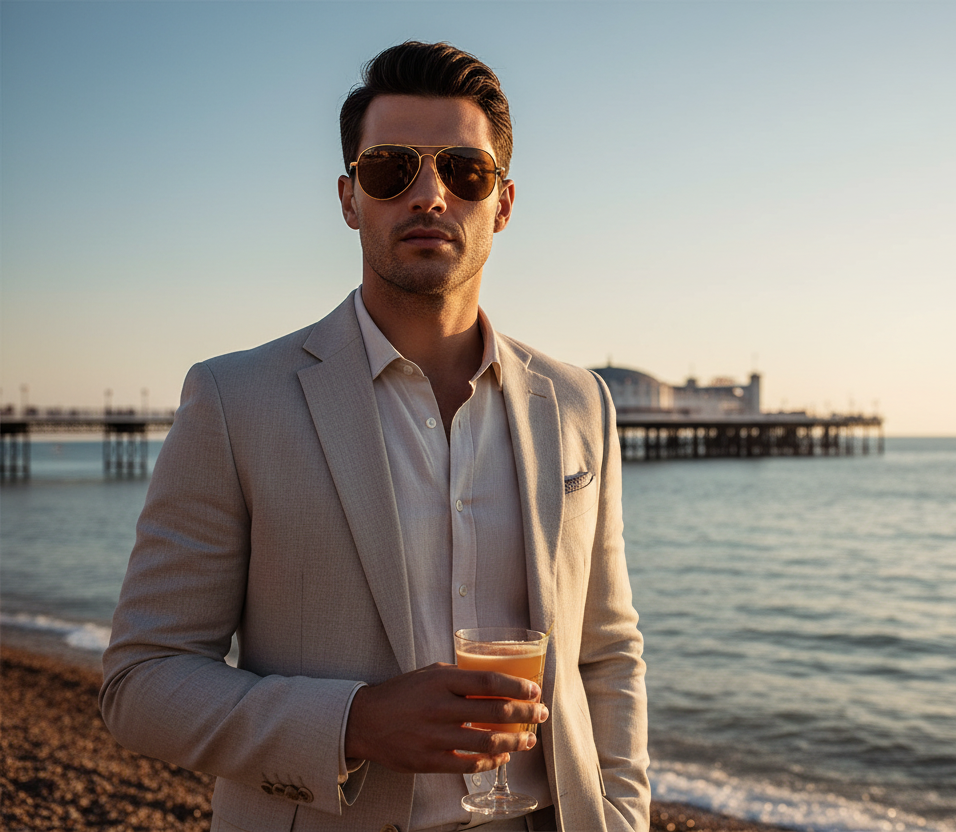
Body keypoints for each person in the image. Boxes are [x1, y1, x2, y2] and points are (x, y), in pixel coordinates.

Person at [100, 41, 649, 832]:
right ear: (350, 198)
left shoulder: (578, 402)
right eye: (392, 169)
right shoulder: (234, 399)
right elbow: (142, 681)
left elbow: (608, 653)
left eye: (464, 171)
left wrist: (623, 818)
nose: (429, 195)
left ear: (502, 203)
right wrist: (352, 723)